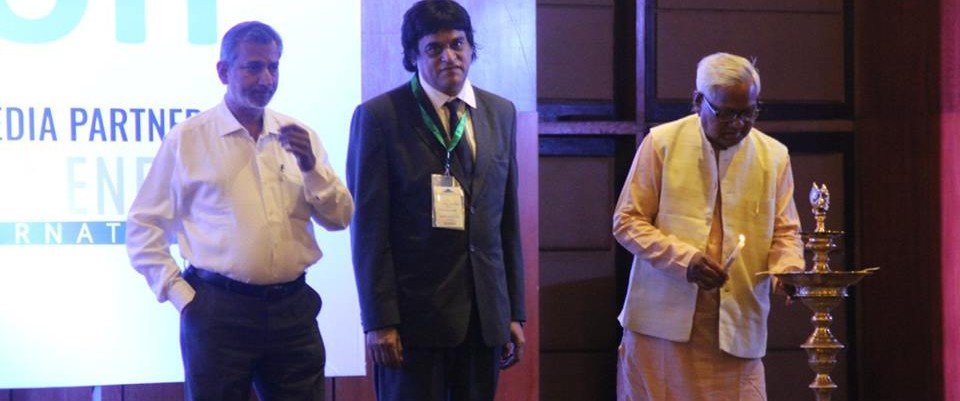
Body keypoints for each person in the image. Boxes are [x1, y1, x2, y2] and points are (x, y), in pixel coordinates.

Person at [126, 21, 353, 401]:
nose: (266, 79)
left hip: (292, 310)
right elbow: (143, 225)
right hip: (217, 311)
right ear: (223, 71)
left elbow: (340, 218)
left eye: (273, 67)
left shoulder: (300, 136)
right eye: (253, 67)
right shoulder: (188, 139)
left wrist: (312, 168)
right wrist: (181, 295)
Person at [346, 1, 526, 400]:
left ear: (471, 47)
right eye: (434, 48)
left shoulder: (501, 112)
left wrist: (512, 310)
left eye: (458, 44)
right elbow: (369, 231)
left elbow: (506, 222)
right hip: (412, 322)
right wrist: (379, 320)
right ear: (414, 56)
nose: (450, 56)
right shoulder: (379, 117)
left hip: (484, 318)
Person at [612, 52, 805, 401]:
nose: (739, 124)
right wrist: (685, 261)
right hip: (661, 329)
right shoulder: (662, 142)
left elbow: (785, 232)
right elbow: (627, 221)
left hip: (738, 325)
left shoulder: (774, 155)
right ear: (698, 101)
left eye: (749, 113)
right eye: (726, 113)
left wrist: (788, 270)